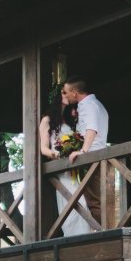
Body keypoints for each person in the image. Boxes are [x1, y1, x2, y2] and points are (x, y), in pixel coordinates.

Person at [38, 90, 93, 236]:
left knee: (82, 202)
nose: (67, 95)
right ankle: (73, 236)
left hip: (73, 167)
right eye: (64, 93)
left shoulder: (68, 120)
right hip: (61, 167)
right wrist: (57, 154)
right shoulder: (47, 120)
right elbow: (43, 148)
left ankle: (83, 236)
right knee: (74, 201)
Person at [63, 76, 108, 225]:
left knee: (94, 201)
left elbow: (91, 128)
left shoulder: (89, 105)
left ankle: (105, 232)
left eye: (66, 92)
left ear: (74, 92)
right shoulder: (94, 104)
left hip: (93, 157)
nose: (66, 96)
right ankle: (104, 230)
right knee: (96, 200)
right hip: (96, 156)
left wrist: (83, 151)